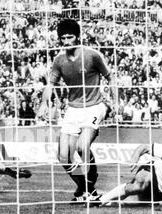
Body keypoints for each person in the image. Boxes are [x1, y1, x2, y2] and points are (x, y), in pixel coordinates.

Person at [42, 19, 116, 204]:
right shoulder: (59, 60)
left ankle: (90, 182)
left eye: (70, 37)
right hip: (73, 109)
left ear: (78, 36)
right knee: (64, 156)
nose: (67, 41)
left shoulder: (93, 56)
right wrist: (45, 103)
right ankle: (87, 189)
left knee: (83, 146)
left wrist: (116, 102)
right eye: (63, 38)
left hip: (94, 106)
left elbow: (110, 77)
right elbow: (50, 84)